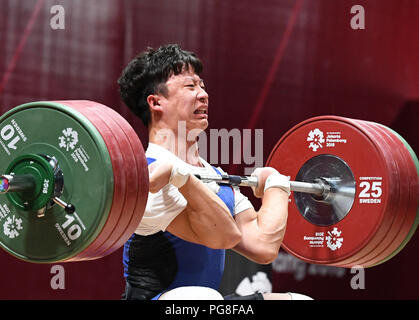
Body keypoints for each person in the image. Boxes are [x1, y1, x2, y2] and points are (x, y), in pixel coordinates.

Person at [117, 44, 312, 300]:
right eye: (190, 86)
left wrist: (276, 186)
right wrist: (182, 176)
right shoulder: (147, 177)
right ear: (155, 102)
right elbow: (222, 235)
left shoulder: (215, 176)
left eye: (202, 85)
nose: (203, 95)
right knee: (197, 297)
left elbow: (263, 246)